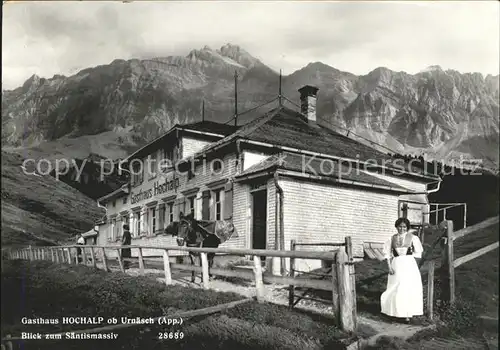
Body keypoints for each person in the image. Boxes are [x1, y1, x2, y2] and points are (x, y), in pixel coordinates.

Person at [380, 217, 424, 323]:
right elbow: (387, 254)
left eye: (404, 227)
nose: (402, 228)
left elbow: (418, 253)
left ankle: (407, 314)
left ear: (407, 227)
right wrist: (389, 267)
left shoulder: (413, 238)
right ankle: (395, 312)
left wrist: (410, 262)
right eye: (400, 226)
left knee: (407, 288)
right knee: (395, 287)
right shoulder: (392, 239)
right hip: (396, 265)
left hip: (409, 265)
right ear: (396, 227)